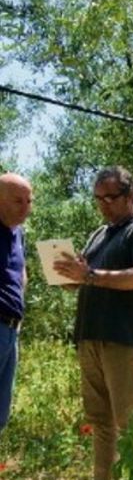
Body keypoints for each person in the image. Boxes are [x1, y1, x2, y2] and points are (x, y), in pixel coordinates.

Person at [54, 166, 133, 480]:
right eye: (98, 198)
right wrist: (69, 276)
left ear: (132, 196)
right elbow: (87, 280)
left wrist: (91, 274)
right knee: (99, 419)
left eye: (111, 197)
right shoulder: (99, 234)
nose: (104, 205)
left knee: (130, 422)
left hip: (122, 337)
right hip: (90, 336)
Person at [0, 172, 33, 433]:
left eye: (29, 201)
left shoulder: (18, 233)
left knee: (1, 412)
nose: (26, 208)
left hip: (11, 329)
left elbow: (21, 273)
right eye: (17, 201)